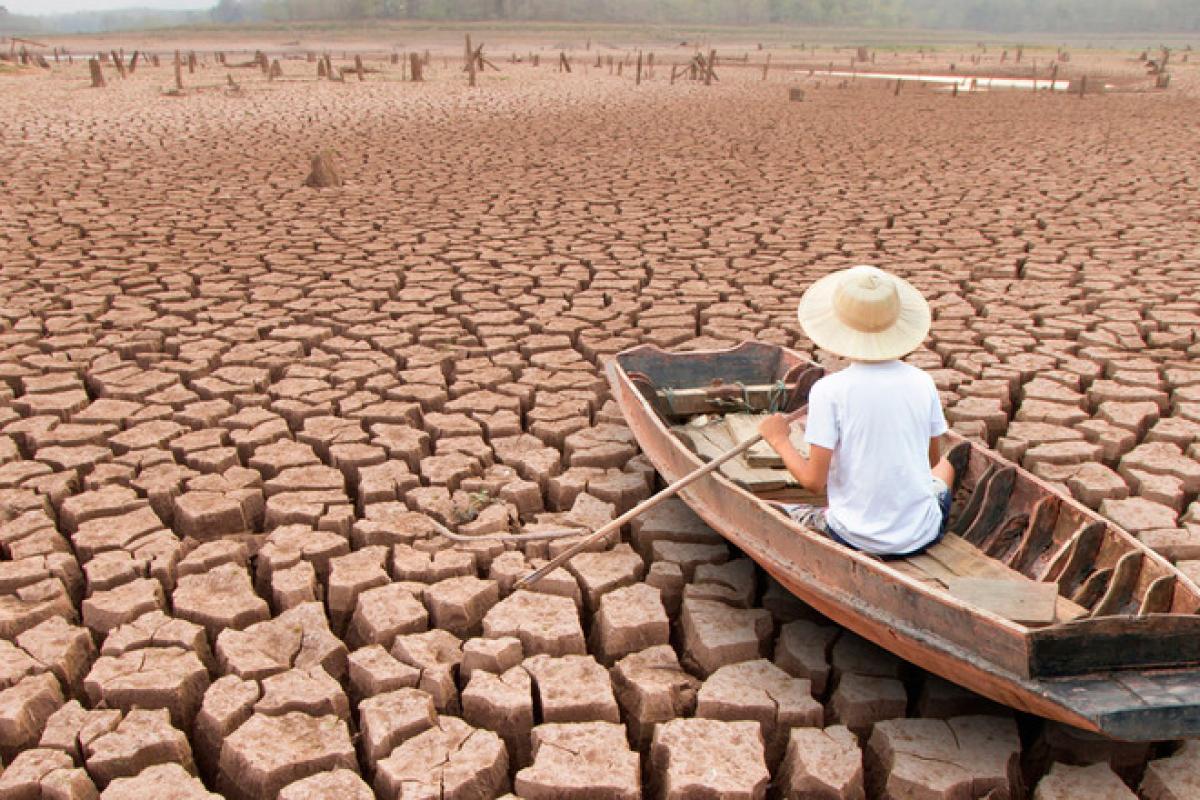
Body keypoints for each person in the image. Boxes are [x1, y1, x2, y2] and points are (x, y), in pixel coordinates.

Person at [758, 265, 968, 557]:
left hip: (853, 537)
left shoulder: (829, 390)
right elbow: (930, 462)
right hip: (923, 533)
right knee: (945, 466)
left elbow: (813, 483)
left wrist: (778, 439)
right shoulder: (923, 381)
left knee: (779, 511)